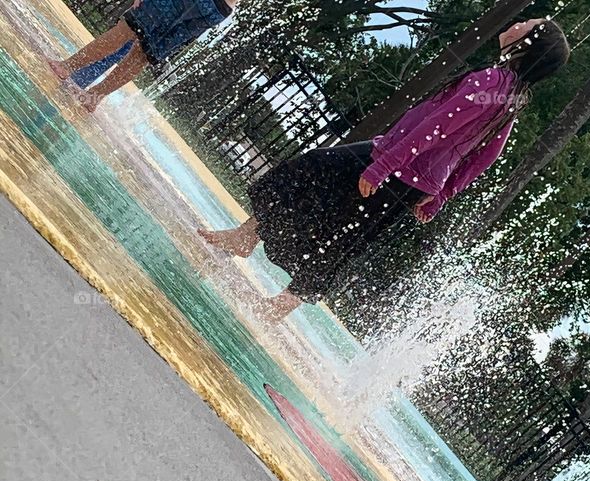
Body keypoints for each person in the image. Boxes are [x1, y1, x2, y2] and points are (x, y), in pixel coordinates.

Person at [199, 18, 570, 322]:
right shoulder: (510, 98)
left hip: (395, 165)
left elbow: (436, 126)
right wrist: (442, 193)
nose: (518, 22)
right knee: (343, 234)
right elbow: (486, 156)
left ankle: (252, 252)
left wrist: (385, 167)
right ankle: (264, 280)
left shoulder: (492, 83)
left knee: (307, 173)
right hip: (407, 174)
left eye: (527, 24)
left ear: (526, 44)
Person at [47, 0, 235, 111]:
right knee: (144, 53)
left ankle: (68, 67)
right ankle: (94, 96)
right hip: (219, 10)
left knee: (129, 29)